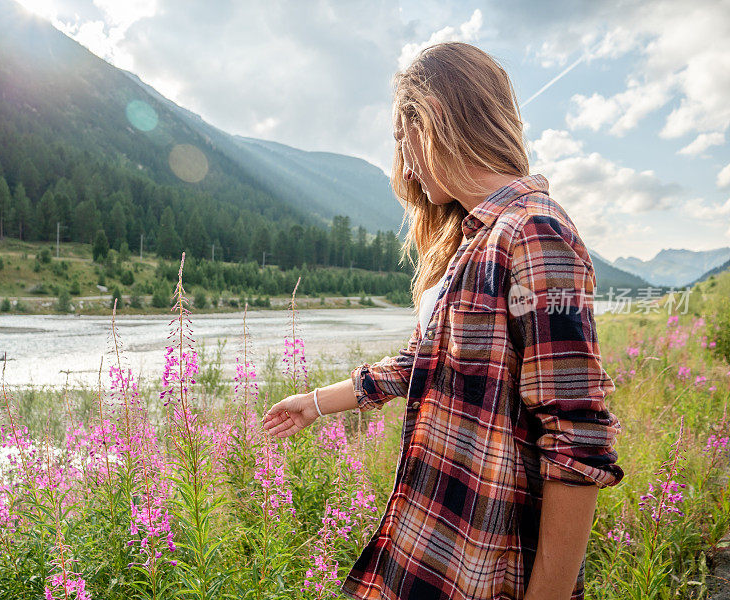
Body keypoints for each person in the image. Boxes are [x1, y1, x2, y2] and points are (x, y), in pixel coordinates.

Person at [262, 41, 623, 600]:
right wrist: (316, 402)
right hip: (434, 541)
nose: (403, 166)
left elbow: (576, 436)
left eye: (403, 143)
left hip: (483, 559)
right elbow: (425, 362)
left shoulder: (534, 232)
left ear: (431, 126)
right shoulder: (477, 238)